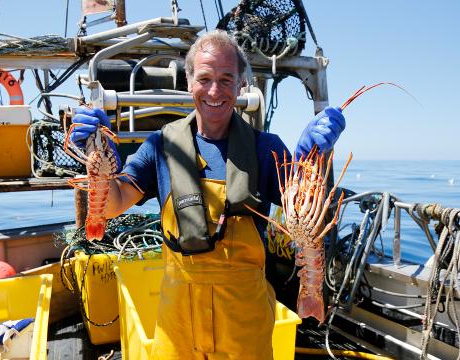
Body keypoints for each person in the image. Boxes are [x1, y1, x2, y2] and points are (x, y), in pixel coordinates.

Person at [71, 30, 345, 360]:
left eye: (226, 79)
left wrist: (310, 158)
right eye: (204, 78)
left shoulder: (266, 149)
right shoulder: (160, 146)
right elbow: (112, 204)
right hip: (178, 322)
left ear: (241, 84)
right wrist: (96, 162)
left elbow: (308, 217)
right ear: (189, 81)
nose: (215, 91)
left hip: (244, 320)